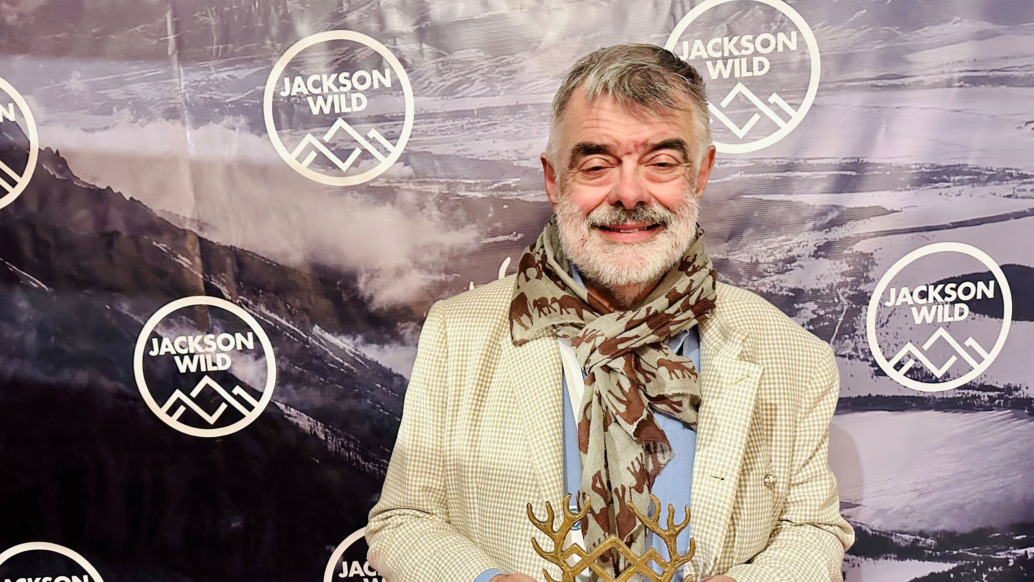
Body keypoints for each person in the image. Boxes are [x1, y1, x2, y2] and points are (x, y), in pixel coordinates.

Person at [366, 44, 854, 582]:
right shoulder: (458, 335)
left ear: (701, 173)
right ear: (555, 180)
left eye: (662, 163)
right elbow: (404, 521)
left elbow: (812, 529)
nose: (628, 192)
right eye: (597, 164)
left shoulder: (793, 356)